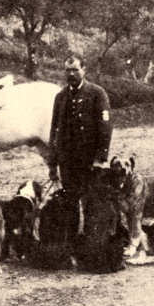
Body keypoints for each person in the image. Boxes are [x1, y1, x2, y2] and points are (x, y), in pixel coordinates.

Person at [48, 55, 112, 232]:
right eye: (67, 70)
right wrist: (52, 162)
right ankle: (72, 239)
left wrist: (100, 158)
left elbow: (105, 128)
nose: (71, 74)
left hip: (89, 160)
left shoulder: (97, 93)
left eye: (75, 70)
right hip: (67, 161)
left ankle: (92, 240)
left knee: (91, 201)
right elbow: (54, 130)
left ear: (84, 70)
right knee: (70, 201)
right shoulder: (61, 97)